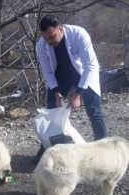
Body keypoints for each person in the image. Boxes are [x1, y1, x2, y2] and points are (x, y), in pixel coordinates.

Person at [32, 14, 107, 165]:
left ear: (60, 29)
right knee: (52, 110)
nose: (49, 41)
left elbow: (90, 66)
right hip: (61, 74)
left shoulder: (79, 34)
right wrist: (57, 92)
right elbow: (47, 71)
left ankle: (104, 150)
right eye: (45, 38)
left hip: (83, 73)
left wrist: (78, 95)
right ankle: (46, 148)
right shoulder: (42, 44)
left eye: (52, 37)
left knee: (94, 110)